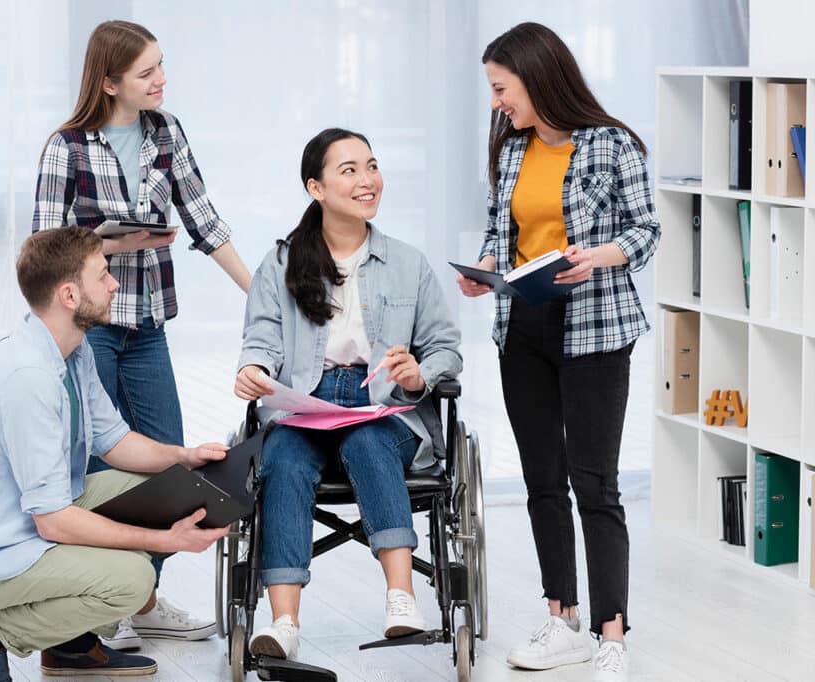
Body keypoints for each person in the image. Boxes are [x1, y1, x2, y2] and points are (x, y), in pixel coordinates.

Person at [0, 227, 230, 682]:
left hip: (29, 516)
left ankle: (71, 646)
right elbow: (54, 521)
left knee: (162, 493)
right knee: (132, 578)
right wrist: (164, 542)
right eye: (103, 275)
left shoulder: (72, 349)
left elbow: (113, 439)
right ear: (69, 294)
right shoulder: (27, 376)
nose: (114, 284)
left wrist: (185, 457)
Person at [32, 19, 251, 647]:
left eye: (161, 66)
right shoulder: (67, 148)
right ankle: (107, 602)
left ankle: (141, 597)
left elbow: (204, 220)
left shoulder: (166, 133)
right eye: (146, 72)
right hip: (91, 331)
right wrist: (106, 243)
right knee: (103, 464)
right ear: (108, 82)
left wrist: (262, 291)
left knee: (172, 465)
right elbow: (46, 248)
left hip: (147, 324)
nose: (161, 80)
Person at [456, 22, 660, 682]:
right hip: (525, 328)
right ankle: (563, 617)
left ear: (537, 77)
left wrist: (599, 258)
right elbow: (499, 230)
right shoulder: (513, 149)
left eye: (500, 88)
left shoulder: (611, 144)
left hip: (596, 328)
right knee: (543, 479)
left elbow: (646, 229)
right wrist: (483, 267)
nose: (496, 103)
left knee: (594, 483)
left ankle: (612, 634)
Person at [234, 128, 462, 661]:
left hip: (383, 403)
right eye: (350, 170)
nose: (368, 180)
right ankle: (284, 623)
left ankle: (401, 598)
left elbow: (447, 350)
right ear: (316, 187)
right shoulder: (283, 262)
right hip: (307, 403)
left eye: (372, 166)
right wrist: (254, 369)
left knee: (367, 441)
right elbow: (261, 339)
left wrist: (416, 375)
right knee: (284, 461)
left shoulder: (408, 262)